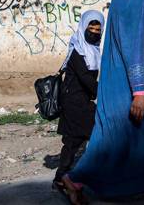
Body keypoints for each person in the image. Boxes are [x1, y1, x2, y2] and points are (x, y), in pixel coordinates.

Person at [58, 0, 144, 205]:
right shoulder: (136, 5)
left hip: (116, 90)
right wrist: (140, 92)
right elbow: (136, 47)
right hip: (132, 89)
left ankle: (76, 179)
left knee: (111, 140)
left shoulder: (121, 3)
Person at [52, 10, 105, 194]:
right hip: (74, 102)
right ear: (83, 26)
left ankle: (61, 178)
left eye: (98, 29)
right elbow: (85, 78)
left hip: (81, 101)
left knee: (75, 141)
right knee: (96, 135)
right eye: (91, 27)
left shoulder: (93, 50)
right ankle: (75, 178)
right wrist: (105, 93)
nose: (94, 31)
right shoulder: (78, 51)